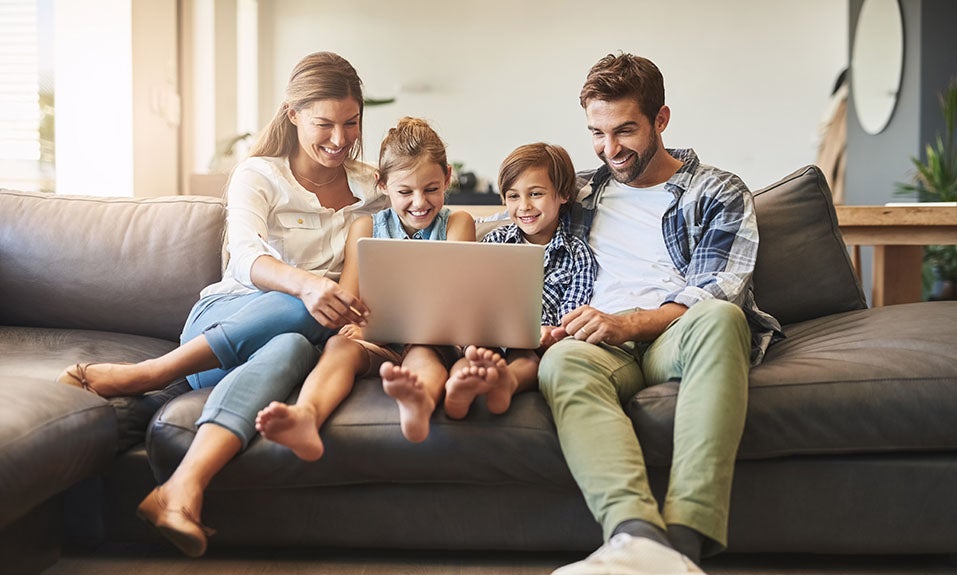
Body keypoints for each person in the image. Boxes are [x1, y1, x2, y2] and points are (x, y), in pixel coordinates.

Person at [57, 51, 388, 557]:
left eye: (351, 123)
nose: (340, 139)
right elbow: (246, 258)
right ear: (293, 114)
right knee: (299, 308)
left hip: (297, 343)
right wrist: (304, 284)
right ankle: (151, 374)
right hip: (226, 320)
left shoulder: (374, 187)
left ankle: (180, 489)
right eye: (324, 123)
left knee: (294, 344)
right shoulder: (259, 175)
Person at [542, 53, 782, 575]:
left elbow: (719, 290)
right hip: (602, 343)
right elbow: (513, 232)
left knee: (721, 319)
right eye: (597, 133)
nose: (610, 149)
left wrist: (625, 322)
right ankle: (636, 537)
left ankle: (684, 543)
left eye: (625, 131)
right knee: (560, 362)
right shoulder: (576, 193)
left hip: (678, 333)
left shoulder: (717, 191)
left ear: (661, 119)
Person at [255, 116, 476, 457]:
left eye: (431, 189)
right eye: (405, 191)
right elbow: (350, 303)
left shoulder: (458, 223)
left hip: (432, 339)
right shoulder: (366, 228)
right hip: (379, 341)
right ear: (382, 184)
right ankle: (306, 416)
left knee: (421, 353)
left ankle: (417, 403)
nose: (419, 202)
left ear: (447, 178)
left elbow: (453, 302)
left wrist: (384, 327)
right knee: (339, 349)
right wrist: (359, 328)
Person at [443, 142, 596, 420]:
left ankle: (506, 383)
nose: (524, 206)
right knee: (470, 357)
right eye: (513, 196)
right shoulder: (494, 241)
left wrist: (552, 333)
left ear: (562, 194)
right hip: (486, 336)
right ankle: (459, 386)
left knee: (528, 362)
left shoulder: (577, 255)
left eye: (535, 194)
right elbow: (471, 293)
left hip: (532, 343)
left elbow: (572, 314)